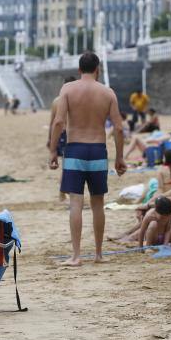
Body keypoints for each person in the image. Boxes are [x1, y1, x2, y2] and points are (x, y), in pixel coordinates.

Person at [49, 52, 126, 266]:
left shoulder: (67, 89)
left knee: (75, 202)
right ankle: (99, 254)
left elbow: (58, 122)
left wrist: (53, 150)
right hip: (98, 150)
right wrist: (120, 157)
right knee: (98, 203)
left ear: (79, 70)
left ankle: (76, 256)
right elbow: (119, 127)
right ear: (97, 70)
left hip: (75, 150)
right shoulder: (107, 92)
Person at [47, 76, 77, 202]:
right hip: (68, 134)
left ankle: (65, 191)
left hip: (59, 134)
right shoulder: (75, 100)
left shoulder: (56, 101)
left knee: (67, 164)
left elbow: (52, 123)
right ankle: (62, 192)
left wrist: (50, 138)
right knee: (67, 165)